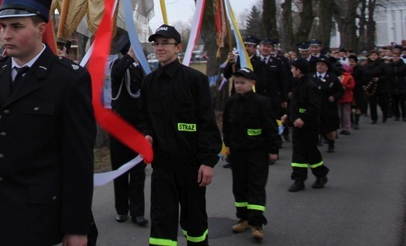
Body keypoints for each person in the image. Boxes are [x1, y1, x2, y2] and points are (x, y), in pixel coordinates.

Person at [0, 0, 96, 246]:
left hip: (41, 217)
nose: (6, 35)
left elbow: (78, 160)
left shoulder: (68, 79)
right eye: (3, 27)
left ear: (40, 29)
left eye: (16, 27)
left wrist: (77, 227)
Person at [138, 24, 222, 246]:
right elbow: (144, 118)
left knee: (194, 224)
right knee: (161, 225)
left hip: (191, 166)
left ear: (178, 48)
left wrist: (207, 162)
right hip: (162, 167)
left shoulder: (195, 80)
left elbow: (207, 123)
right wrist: (146, 134)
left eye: (165, 43)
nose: (159, 47)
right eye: (156, 43)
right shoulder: (149, 82)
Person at [222, 67, 279, 241]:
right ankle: (243, 218)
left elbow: (270, 127)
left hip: (257, 152)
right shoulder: (231, 102)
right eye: (237, 82)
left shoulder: (261, 102)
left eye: (243, 83)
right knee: (239, 186)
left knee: (255, 186)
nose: (239, 86)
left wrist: (273, 150)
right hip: (238, 152)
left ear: (252, 83)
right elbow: (227, 127)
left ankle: (257, 223)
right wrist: (228, 146)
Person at [108, 35, 147, 227]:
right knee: (120, 170)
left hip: (138, 128)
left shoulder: (141, 69)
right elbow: (117, 72)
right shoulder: (117, 65)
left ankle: (137, 212)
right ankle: (121, 209)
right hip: (119, 127)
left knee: (138, 171)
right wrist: (129, 56)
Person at [285, 58, 329, 192]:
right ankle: (299, 179)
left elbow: (314, 106)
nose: (291, 71)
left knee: (310, 151)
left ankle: (321, 174)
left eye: (293, 68)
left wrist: (303, 118)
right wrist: (288, 115)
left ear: (299, 70)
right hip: (297, 124)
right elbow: (294, 103)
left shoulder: (310, 85)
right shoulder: (297, 83)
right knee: (298, 152)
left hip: (309, 125)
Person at [311, 59, 343, 153]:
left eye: (322, 64)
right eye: (318, 64)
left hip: (329, 106)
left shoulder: (332, 78)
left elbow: (340, 91)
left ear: (327, 67)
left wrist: (334, 97)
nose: (320, 66)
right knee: (315, 126)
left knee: (330, 127)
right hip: (315, 106)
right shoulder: (311, 77)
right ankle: (315, 144)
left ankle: (331, 143)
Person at [389, 45, 406, 121]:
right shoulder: (389, 66)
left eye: (396, 56)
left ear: (399, 57)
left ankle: (404, 115)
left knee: (402, 102)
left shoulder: (403, 65)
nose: (395, 58)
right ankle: (397, 115)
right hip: (392, 85)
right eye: (394, 56)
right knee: (394, 102)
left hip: (401, 84)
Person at [338, 62, 356, 134]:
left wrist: (345, 87)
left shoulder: (349, 76)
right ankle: (343, 127)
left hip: (347, 96)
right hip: (340, 97)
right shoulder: (339, 76)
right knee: (341, 114)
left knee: (346, 113)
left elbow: (352, 85)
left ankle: (347, 128)